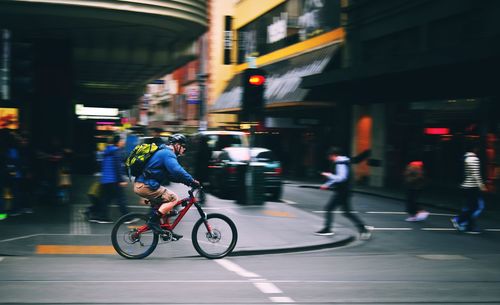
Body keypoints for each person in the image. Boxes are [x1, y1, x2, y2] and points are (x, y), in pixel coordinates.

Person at [133, 133, 199, 239]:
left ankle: (166, 231)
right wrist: (191, 180)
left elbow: (171, 176)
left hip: (144, 184)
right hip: (145, 186)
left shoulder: (164, 152)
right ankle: (153, 222)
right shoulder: (168, 153)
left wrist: (187, 182)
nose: (184, 150)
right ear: (177, 145)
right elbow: (177, 170)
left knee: (166, 206)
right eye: (183, 146)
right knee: (173, 198)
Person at [315, 146, 372, 239]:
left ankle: (327, 229)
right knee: (347, 212)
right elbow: (338, 177)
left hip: (343, 191)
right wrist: (327, 184)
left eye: (329, 156)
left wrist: (328, 175)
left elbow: (341, 178)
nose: (329, 159)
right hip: (344, 191)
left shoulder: (340, 163)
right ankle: (363, 229)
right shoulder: (343, 161)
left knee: (329, 208)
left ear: (333, 155)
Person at [89, 134, 129, 223]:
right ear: (118, 142)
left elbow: (101, 164)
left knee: (106, 199)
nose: (123, 142)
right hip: (114, 180)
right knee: (121, 199)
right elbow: (117, 167)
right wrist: (121, 180)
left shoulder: (107, 150)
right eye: (122, 141)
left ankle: (102, 216)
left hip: (106, 179)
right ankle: (127, 217)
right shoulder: (116, 151)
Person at [451, 143, 487, 234]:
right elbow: (476, 174)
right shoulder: (474, 159)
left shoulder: (465, 158)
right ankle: (459, 220)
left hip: (467, 186)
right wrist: (482, 186)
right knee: (474, 207)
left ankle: (469, 226)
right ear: (474, 149)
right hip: (472, 187)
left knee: (471, 206)